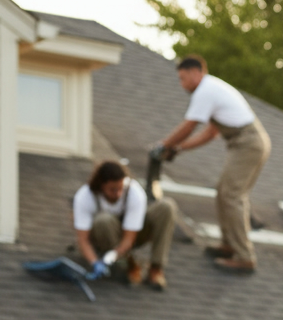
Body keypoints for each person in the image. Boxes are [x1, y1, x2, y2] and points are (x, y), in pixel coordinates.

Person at [156, 55, 271, 275]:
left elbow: (189, 126)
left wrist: (163, 145)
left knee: (232, 196)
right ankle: (229, 245)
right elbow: (210, 132)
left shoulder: (205, 90)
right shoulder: (213, 90)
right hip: (248, 143)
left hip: (248, 143)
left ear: (195, 72)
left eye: (183, 78)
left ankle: (244, 256)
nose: (182, 85)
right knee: (224, 193)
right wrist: (178, 149)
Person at [72, 160, 176, 289]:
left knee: (166, 207)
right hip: (102, 238)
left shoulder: (134, 192)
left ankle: (155, 268)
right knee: (104, 220)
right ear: (100, 185)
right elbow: (83, 241)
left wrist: (114, 255)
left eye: (120, 188)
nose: (118, 194)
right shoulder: (85, 197)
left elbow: (129, 239)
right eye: (112, 189)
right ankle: (128, 265)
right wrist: (94, 262)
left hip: (130, 238)